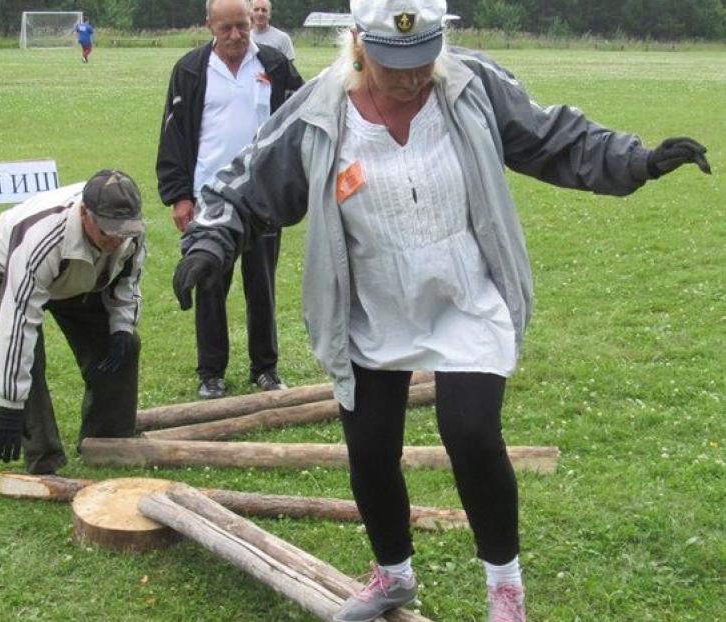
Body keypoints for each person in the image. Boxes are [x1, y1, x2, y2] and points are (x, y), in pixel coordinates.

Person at [171, 0, 711, 619]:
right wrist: (210, 241)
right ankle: (394, 575)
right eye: (394, 63)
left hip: (464, 293)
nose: (411, 77)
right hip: (371, 302)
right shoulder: (320, 110)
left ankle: (504, 587)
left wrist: (634, 160)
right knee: (371, 449)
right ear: (357, 42)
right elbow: (247, 181)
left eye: (424, 59)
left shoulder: (471, 86)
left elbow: (554, 135)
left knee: (471, 432)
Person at [156, 0, 303, 399]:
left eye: (243, 26)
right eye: (227, 28)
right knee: (209, 283)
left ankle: (266, 369)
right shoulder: (190, 70)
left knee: (262, 285)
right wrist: (178, 196)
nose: (237, 35)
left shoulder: (274, 64)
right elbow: (173, 135)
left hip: (262, 197)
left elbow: (301, 121)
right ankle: (211, 373)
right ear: (209, 26)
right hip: (209, 199)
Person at [0, 169, 146, 475]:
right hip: (7, 264)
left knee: (122, 346)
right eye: (108, 230)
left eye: (124, 232)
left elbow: (128, 279)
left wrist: (122, 327)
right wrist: (10, 404)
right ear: (85, 214)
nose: (116, 239)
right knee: (29, 360)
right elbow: (17, 328)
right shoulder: (42, 238)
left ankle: (105, 442)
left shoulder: (128, 231)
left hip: (82, 274)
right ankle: (44, 458)